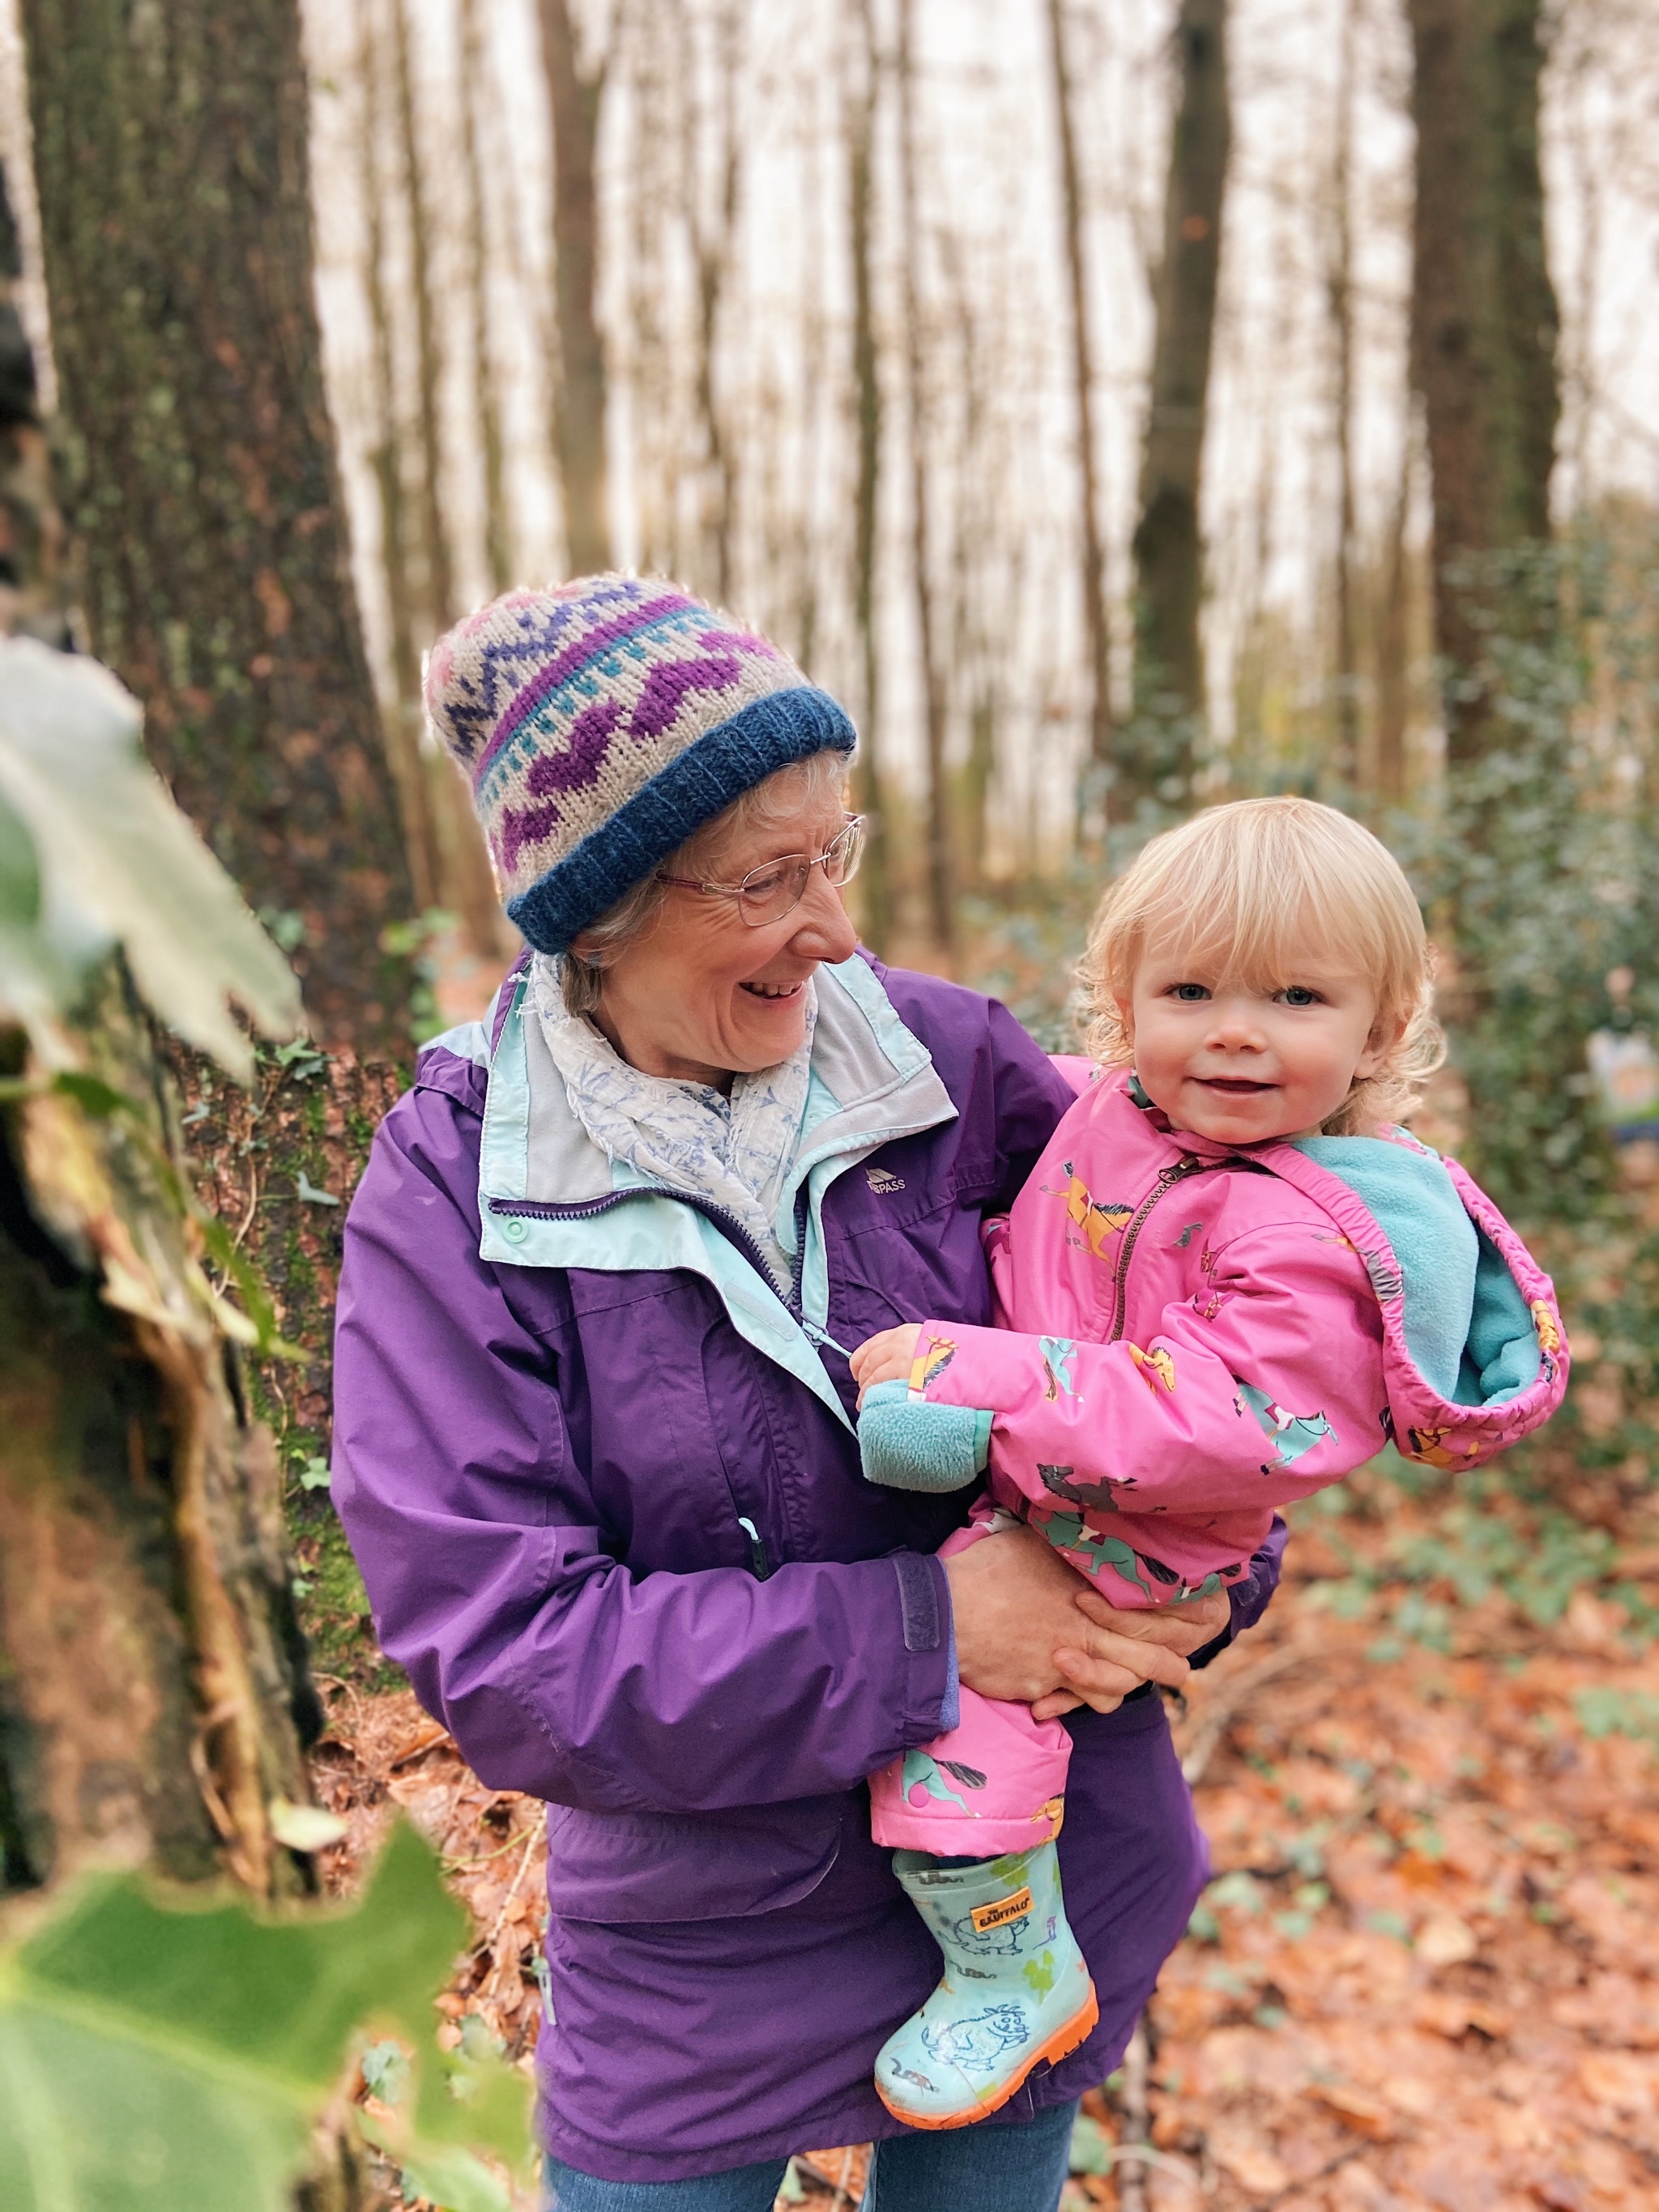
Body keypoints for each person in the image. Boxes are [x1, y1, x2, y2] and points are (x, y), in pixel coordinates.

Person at [331, 575, 1286, 2212]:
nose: (837, 929)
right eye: (771, 878)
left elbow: (1219, 1343)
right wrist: (928, 1631)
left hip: (1030, 1882)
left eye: (835, 852)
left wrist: (1191, 1590)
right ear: (599, 904)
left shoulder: (952, 1065)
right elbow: (504, 1647)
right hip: (706, 1936)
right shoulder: (456, 1179)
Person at [847, 796, 1569, 2129]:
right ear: (1125, 1005)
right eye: (1190, 989)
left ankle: (1011, 1967)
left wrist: (989, 1379)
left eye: (1295, 996)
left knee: (965, 1733)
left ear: (1383, 1027)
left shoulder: (1319, 1229)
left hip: (1141, 1539)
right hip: (1045, 1469)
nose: (1234, 1029)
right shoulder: (1120, 1112)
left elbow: (1216, 1414)